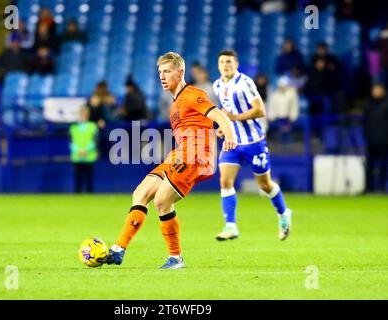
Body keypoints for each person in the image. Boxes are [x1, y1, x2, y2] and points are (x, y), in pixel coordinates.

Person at [104, 52, 237, 269]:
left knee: (162, 201)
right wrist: (217, 130)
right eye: (160, 72)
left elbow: (218, 116)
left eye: (167, 71)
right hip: (179, 154)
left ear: (180, 72)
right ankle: (119, 249)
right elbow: (203, 122)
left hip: (195, 157)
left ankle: (176, 258)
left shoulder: (193, 94)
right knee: (141, 192)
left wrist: (229, 136)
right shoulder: (175, 102)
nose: (162, 76)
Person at [212, 49, 292, 241]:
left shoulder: (245, 83)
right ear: (218, 65)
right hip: (233, 141)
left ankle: (283, 213)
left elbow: (260, 110)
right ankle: (231, 226)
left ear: (236, 64)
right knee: (225, 181)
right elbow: (226, 109)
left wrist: (235, 118)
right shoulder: (217, 85)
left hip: (254, 141)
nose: (225, 65)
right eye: (222, 62)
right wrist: (224, 126)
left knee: (264, 185)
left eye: (229, 62)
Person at [363, 83, 388, 193]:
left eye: (378, 89)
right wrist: (367, 136)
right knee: (369, 166)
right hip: (371, 140)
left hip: (384, 140)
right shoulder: (369, 105)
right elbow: (365, 123)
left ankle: (382, 188)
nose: (376, 91)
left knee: (383, 166)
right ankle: (369, 188)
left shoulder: (386, 104)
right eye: (374, 89)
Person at [69, 107, 98, 193]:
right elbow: (71, 141)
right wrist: (78, 150)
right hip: (77, 156)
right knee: (78, 179)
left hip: (89, 156)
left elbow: (95, 140)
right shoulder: (73, 128)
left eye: (84, 115)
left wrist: (86, 150)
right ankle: (77, 196)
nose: (83, 117)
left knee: (89, 179)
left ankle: (90, 196)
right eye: (81, 115)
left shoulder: (92, 126)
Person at [267, 76, 299, 145]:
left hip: (288, 118)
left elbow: (294, 107)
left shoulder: (292, 94)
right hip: (277, 119)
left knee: (288, 136)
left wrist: (293, 117)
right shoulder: (274, 95)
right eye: (280, 86)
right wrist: (271, 117)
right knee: (279, 138)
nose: (281, 87)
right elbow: (271, 107)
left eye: (283, 86)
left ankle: (289, 148)